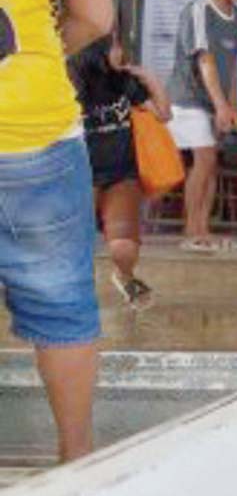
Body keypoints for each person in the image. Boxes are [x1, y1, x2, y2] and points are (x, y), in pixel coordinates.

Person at [0, 0, 115, 462]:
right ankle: (76, 459)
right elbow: (96, 16)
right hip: (36, 130)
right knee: (61, 305)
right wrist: (40, 54)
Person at [70, 33, 172, 310]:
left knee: (124, 247)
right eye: (114, 46)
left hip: (121, 175)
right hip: (78, 175)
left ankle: (125, 276)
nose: (120, 51)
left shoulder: (124, 81)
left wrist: (148, 78)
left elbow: (163, 113)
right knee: (72, 246)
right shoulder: (66, 82)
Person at [165, 0, 237, 253]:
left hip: (216, 102)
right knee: (203, 159)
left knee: (211, 164)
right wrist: (219, 105)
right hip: (188, 98)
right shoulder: (198, 9)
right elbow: (205, 61)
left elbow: (230, 64)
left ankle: (203, 230)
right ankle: (192, 232)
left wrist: (231, 106)